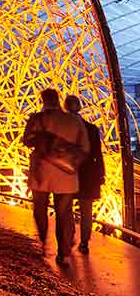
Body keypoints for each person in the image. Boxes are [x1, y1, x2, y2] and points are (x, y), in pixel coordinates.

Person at [22, 88, 90, 266]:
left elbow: (26, 141)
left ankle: (44, 244)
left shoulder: (37, 119)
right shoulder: (74, 121)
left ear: (43, 100)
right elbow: (85, 148)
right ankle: (63, 253)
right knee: (64, 214)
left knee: (40, 211)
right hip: (67, 176)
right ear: (58, 100)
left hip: (41, 173)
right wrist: (70, 160)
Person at [65, 95, 105, 254]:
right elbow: (98, 154)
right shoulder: (92, 129)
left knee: (66, 208)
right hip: (88, 175)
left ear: (66, 108)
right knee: (86, 211)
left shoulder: (64, 128)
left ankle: (70, 236)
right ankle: (84, 242)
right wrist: (101, 174)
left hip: (68, 173)